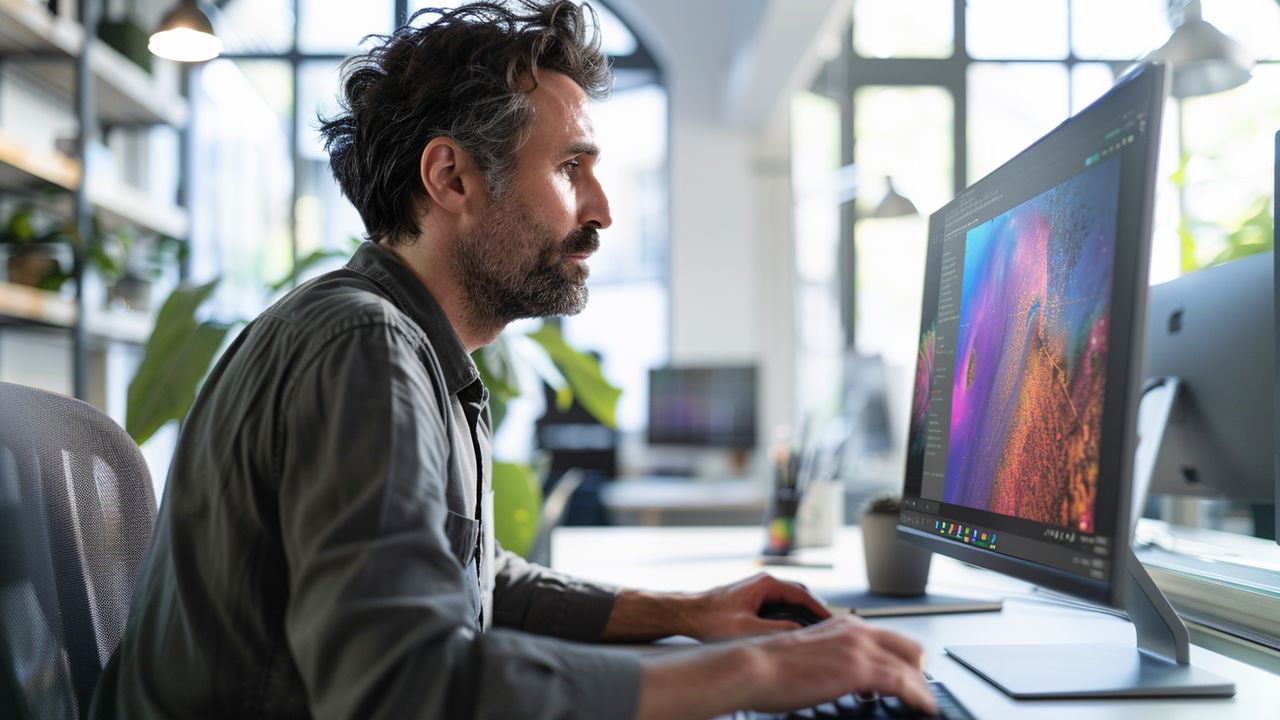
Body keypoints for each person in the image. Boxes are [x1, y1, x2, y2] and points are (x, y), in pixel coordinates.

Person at [91, 2, 936, 718]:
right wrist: (757, 673)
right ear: (450, 178)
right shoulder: (365, 348)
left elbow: (473, 574)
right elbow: (399, 683)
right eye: (572, 168)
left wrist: (694, 614)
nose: (601, 210)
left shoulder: (407, 346)